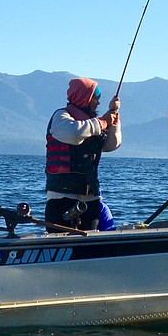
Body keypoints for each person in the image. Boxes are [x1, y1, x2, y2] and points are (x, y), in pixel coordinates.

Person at [45, 77, 121, 231]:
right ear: (83, 97)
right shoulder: (61, 117)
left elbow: (112, 144)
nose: (98, 102)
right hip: (61, 198)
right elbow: (74, 133)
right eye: (95, 97)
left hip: (90, 199)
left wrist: (113, 119)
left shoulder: (92, 123)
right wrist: (103, 122)